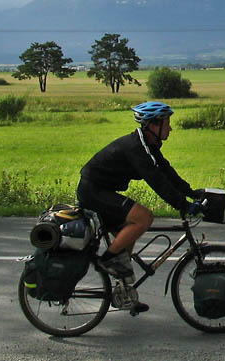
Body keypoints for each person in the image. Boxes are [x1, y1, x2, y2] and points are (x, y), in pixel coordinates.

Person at [76, 101, 202, 312]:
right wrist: (183, 205)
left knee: (128, 235)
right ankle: (107, 260)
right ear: (153, 125)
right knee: (144, 218)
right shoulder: (137, 147)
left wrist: (191, 193)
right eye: (167, 123)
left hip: (100, 190)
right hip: (93, 191)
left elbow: (166, 172)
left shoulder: (148, 144)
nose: (170, 128)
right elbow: (156, 180)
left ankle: (124, 295)